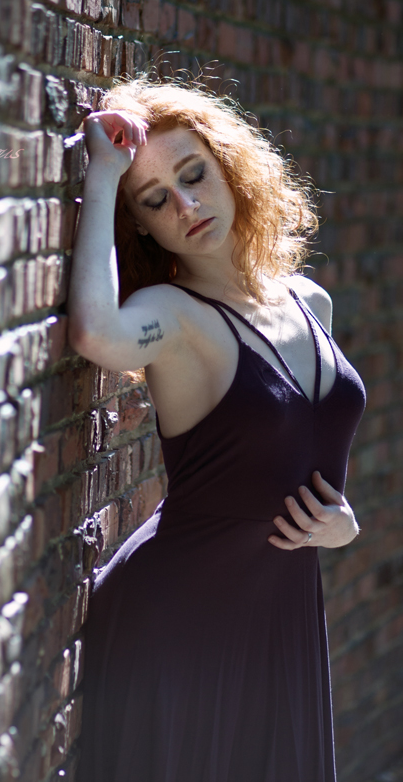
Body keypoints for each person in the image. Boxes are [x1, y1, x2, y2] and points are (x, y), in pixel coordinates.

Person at [67, 78, 366, 782]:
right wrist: (105, 175)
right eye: (155, 200)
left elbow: (304, 453)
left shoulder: (309, 301)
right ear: (141, 225)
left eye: (194, 174)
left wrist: (342, 524)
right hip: (181, 626)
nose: (186, 206)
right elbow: (95, 333)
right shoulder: (173, 315)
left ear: (230, 164)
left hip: (281, 618)